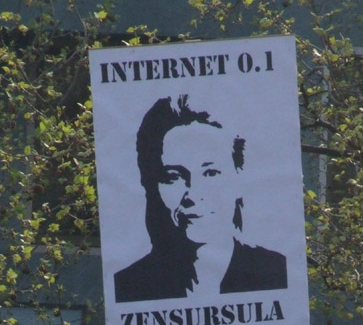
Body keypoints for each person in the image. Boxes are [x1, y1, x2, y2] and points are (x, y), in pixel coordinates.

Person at [114, 95, 287, 303]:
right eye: (174, 177)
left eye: (211, 173)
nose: (193, 195)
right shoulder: (128, 287)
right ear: (152, 184)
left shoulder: (275, 275)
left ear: (239, 178)